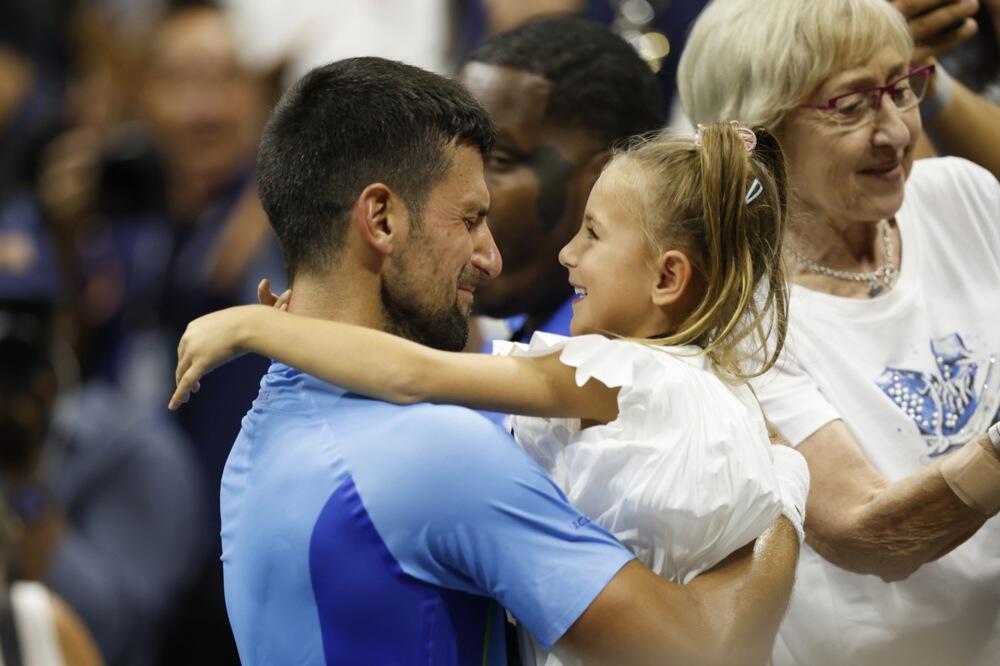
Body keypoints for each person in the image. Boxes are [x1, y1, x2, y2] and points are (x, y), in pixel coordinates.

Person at [181, 56, 806, 666]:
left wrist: (272, 327)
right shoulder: (438, 456)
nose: (492, 258)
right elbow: (708, 649)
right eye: (471, 219)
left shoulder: (262, 426)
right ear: (381, 218)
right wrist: (782, 496)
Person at [678, 1, 1000, 664]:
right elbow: (870, 533)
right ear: (758, 132)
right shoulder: (741, 317)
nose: (896, 131)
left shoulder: (962, 195)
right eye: (852, 106)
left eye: (901, 88)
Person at [457, 16, 666, 342]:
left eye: (498, 160)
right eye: (456, 156)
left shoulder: (624, 364)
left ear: (608, 179)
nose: (458, 190)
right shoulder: (513, 338)